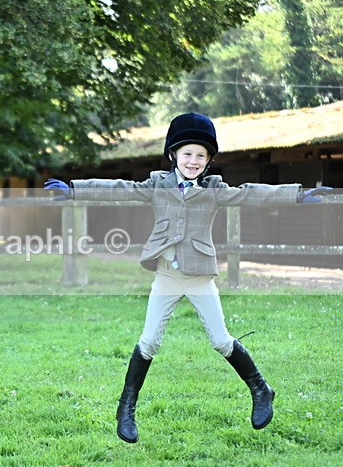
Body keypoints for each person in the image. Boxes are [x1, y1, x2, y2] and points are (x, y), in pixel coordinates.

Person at [45, 112, 331, 443]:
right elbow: (120, 189)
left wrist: (296, 194)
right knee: (149, 340)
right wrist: (75, 190)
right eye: (187, 154)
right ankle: (126, 410)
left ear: (208, 160)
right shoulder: (157, 184)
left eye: (200, 155)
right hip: (166, 276)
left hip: (199, 277)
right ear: (173, 156)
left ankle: (261, 389)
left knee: (221, 340)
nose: (193, 161)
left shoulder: (214, 189)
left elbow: (251, 193)